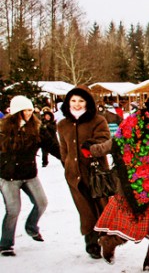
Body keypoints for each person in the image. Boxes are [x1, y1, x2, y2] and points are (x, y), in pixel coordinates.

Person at [85, 92, 149, 271]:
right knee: (130, 226)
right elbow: (114, 144)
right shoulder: (134, 122)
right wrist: (93, 150)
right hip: (133, 184)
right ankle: (108, 242)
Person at [0, 96, 60, 256]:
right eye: (24, 110)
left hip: (29, 174)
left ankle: (31, 227)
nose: (28, 113)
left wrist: (66, 159)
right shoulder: (3, 128)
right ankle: (6, 244)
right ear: (15, 112)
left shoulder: (37, 128)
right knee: (13, 210)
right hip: (8, 177)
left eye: (30, 110)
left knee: (42, 203)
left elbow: (52, 146)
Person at [56, 85, 112, 259]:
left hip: (96, 173)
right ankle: (91, 242)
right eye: (73, 101)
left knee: (101, 207)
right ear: (68, 102)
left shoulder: (98, 120)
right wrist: (67, 165)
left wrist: (91, 146)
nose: (77, 104)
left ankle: (107, 240)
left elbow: (105, 141)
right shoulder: (63, 124)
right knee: (85, 210)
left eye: (81, 100)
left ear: (87, 102)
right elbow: (63, 149)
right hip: (74, 175)